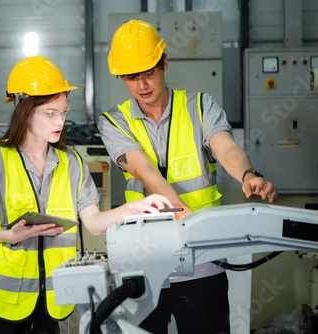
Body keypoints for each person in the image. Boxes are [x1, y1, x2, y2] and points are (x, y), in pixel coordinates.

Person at [0, 55, 173, 334]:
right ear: (24, 110)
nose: (60, 121)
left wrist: (136, 207)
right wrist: (8, 235)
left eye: (63, 112)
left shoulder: (71, 163)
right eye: (50, 113)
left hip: (50, 305)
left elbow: (92, 221)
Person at [98, 20, 278, 334]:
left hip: (201, 265)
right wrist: (179, 210)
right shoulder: (114, 121)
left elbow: (226, 149)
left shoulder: (200, 105)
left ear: (164, 62)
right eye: (130, 76)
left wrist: (247, 174)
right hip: (144, 264)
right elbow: (144, 170)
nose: (142, 84)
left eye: (149, 72)